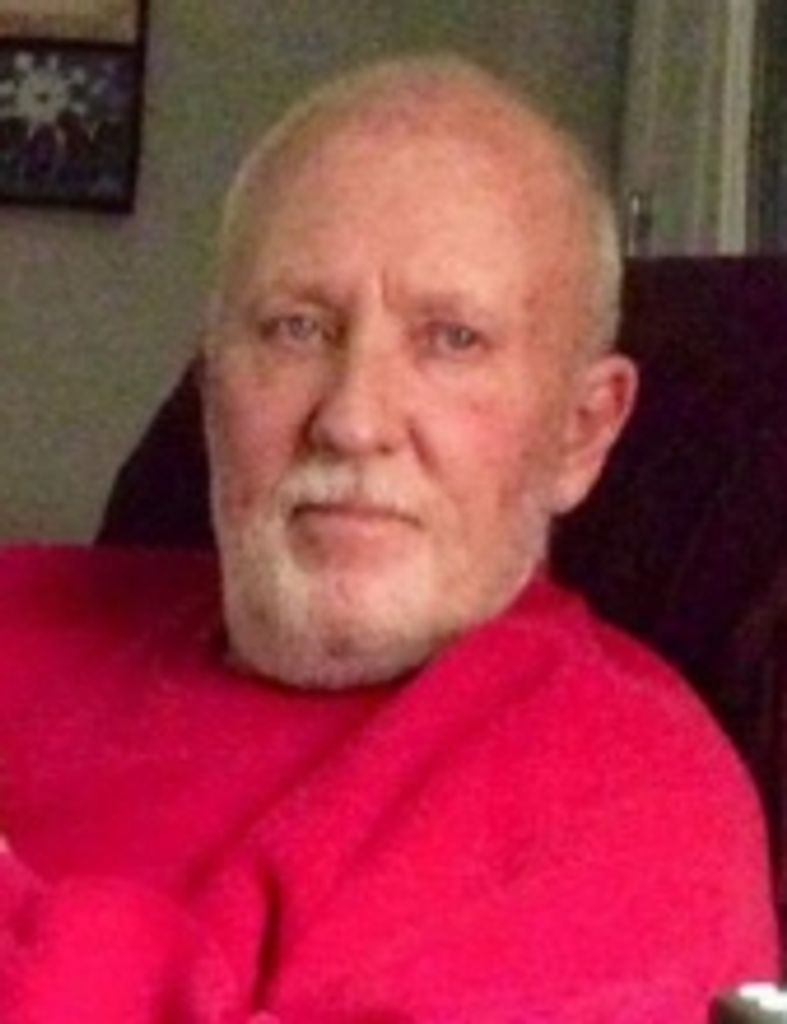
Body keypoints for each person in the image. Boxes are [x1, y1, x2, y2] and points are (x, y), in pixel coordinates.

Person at [0, 55, 777, 1023]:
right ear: (210, 384)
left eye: (452, 339)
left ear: (582, 430)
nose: (352, 420)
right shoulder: (34, 603)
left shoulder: (628, 808)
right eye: (297, 328)